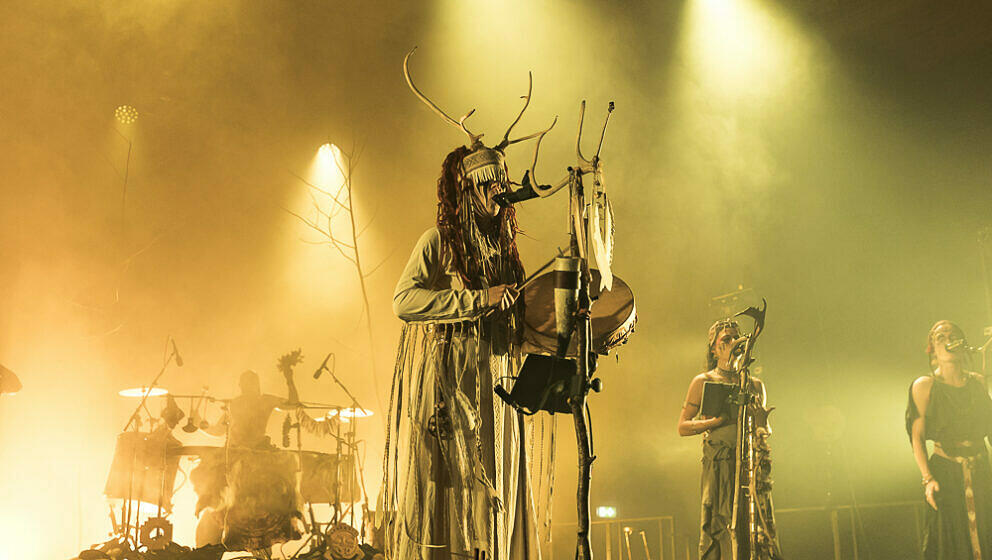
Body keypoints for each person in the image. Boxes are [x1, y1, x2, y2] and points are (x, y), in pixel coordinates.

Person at [379, 141, 543, 560]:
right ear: (467, 188)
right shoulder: (440, 242)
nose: (497, 191)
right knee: (457, 481)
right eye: (488, 183)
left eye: (501, 182)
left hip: (501, 381)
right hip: (456, 380)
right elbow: (404, 301)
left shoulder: (506, 251)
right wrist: (476, 300)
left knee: (498, 479)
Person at [677, 319, 782, 560]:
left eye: (737, 338)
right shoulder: (703, 381)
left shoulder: (754, 384)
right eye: (726, 339)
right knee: (720, 521)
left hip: (750, 467)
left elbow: (764, 431)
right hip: (720, 466)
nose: (734, 343)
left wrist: (761, 421)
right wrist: (713, 423)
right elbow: (682, 426)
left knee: (753, 525)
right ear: (714, 349)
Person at [906, 320, 992, 559]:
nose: (947, 340)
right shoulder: (924, 386)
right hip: (946, 471)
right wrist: (928, 479)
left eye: (952, 335)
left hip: (980, 467)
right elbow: (917, 436)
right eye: (940, 337)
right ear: (932, 347)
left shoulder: (977, 381)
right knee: (950, 538)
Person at [192, 367, 302, 552]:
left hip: (260, 451)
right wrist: (201, 425)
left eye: (253, 383)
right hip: (234, 451)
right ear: (241, 386)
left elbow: (293, 403)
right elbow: (218, 430)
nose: (249, 387)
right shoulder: (233, 403)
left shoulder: (266, 400)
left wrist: (289, 377)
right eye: (246, 384)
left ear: (257, 385)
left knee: (291, 466)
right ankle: (209, 509)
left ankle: (290, 514)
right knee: (205, 475)